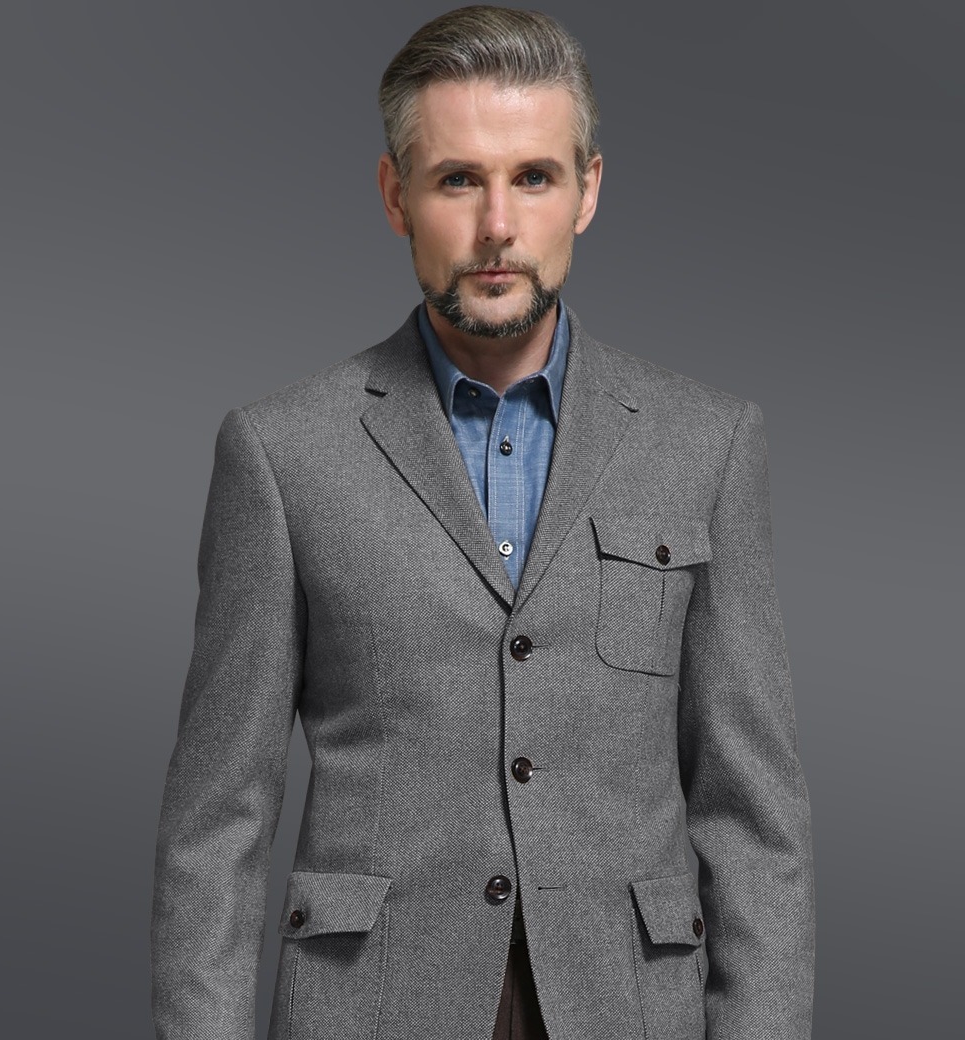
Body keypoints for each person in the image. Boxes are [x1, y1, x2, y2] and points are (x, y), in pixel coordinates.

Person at [150, 7, 815, 1039]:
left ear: (588, 189)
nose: (497, 224)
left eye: (533, 177)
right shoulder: (283, 454)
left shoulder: (705, 445)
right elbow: (217, 821)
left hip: (627, 1009)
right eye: (458, 179)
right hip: (372, 1009)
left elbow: (754, 815)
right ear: (396, 196)